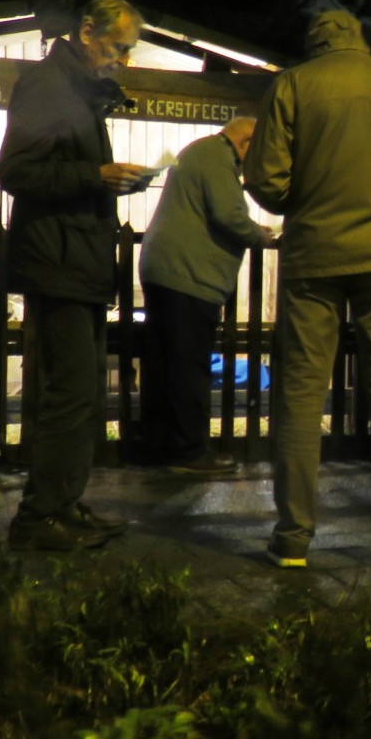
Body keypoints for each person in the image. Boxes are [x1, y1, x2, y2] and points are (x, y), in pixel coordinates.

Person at [244, 9, 371, 568]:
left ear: (314, 44)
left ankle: (292, 539)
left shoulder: (292, 84)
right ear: (360, 38)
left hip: (314, 255)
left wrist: (303, 200)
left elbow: (264, 180)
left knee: (302, 395)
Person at [0, 0, 151, 552]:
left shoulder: (79, 91)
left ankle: (64, 503)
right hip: (57, 260)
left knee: (82, 395)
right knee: (69, 395)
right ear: (88, 31)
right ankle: (37, 518)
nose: (123, 61)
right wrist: (96, 175)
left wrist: (109, 178)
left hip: (77, 259)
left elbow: (65, 167)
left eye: (129, 52)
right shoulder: (47, 84)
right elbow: (17, 171)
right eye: (119, 47)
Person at [134, 116, 276, 474]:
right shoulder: (216, 157)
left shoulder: (201, 153)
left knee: (167, 364)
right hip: (188, 275)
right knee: (188, 366)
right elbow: (230, 216)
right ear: (248, 143)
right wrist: (261, 234)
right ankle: (188, 453)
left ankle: (161, 448)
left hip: (169, 270)